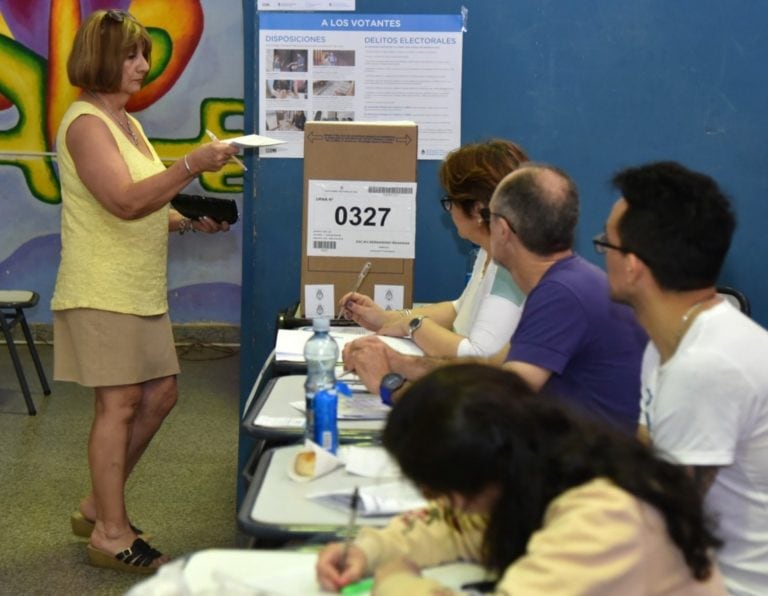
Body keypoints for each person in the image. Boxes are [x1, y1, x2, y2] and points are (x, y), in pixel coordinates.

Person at [52, 9, 239, 574]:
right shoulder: (86, 123)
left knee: (159, 396)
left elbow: (141, 204)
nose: (142, 66)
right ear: (103, 59)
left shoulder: (125, 122)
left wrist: (185, 221)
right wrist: (191, 165)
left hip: (137, 288)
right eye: (132, 56)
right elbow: (125, 202)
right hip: (101, 286)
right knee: (120, 404)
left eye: (144, 56)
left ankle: (96, 505)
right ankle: (110, 531)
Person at [316, 364, 726, 595]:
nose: (444, 502)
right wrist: (369, 552)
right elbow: (456, 528)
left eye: (442, 487)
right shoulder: (539, 473)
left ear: (483, 469)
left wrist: (396, 585)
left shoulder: (606, 515)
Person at [344, 164, 647, 433]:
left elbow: (497, 410)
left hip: (589, 478)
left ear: (501, 230)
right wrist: (401, 363)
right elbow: (492, 369)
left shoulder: (561, 294)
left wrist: (390, 385)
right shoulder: (567, 281)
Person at [598, 161, 768, 595]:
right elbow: (647, 449)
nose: (600, 257)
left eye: (605, 246)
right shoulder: (668, 341)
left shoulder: (705, 365)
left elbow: (672, 527)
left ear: (633, 266)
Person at [339, 140, 527, 362]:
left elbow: (478, 355)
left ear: (477, 209)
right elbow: (459, 311)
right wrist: (385, 319)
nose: (449, 211)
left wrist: (413, 325)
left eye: (451, 201)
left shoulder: (509, 269)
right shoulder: (488, 251)